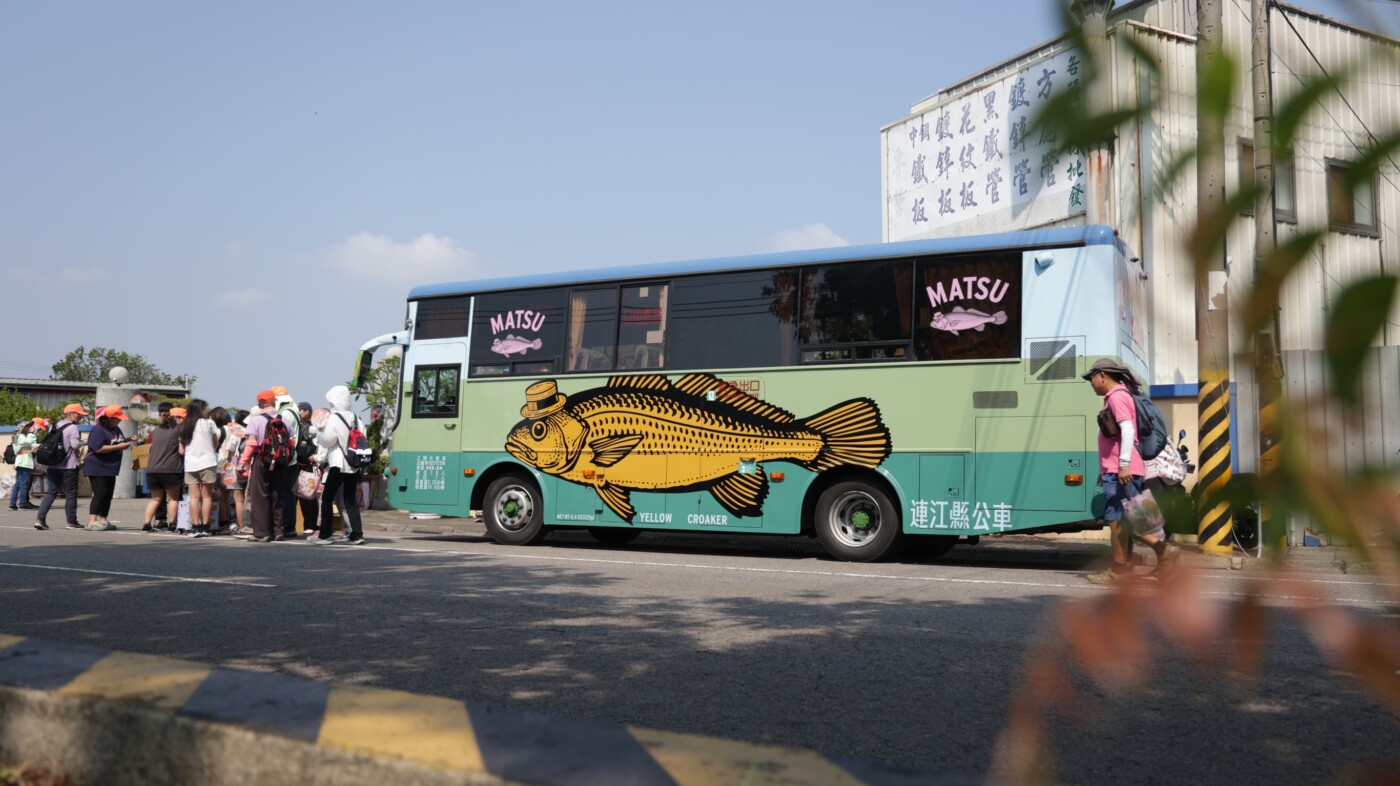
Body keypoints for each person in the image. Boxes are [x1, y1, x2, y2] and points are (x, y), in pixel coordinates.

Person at [1083, 358, 1178, 583]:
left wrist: (1122, 464)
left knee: (1120, 519)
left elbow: (1127, 429)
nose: (1091, 382)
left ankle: (1158, 554)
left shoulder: (1117, 397)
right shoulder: (1121, 396)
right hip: (1118, 468)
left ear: (1103, 375)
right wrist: (1110, 467)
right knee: (1133, 517)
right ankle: (1155, 561)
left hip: (1122, 469)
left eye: (1092, 378)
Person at [312, 385, 365, 545]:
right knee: (350, 500)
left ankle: (325, 535)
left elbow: (328, 440)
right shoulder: (356, 418)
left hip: (338, 463)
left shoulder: (334, 417)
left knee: (327, 498)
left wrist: (318, 434)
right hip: (354, 464)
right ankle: (357, 534)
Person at [236, 390, 280, 542]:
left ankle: (262, 532)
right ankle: (278, 530)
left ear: (260, 403)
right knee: (277, 494)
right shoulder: (284, 419)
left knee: (260, 496)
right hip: (280, 461)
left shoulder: (256, 420)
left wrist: (243, 462)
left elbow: (251, 443)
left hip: (261, 459)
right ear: (274, 402)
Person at [84, 405, 137, 530]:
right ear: (109, 418)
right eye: (117, 418)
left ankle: (103, 520)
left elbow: (117, 441)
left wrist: (129, 439)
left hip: (111, 467)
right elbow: (98, 448)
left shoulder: (116, 429)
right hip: (97, 466)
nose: (119, 421)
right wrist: (119, 447)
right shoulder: (98, 430)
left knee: (108, 494)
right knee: (100, 493)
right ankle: (92, 521)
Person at [35, 403, 87, 531]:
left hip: (53, 465)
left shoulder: (55, 426)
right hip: (68, 466)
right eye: (78, 414)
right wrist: (87, 441)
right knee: (70, 494)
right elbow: (74, 445)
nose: (80, 417)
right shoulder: (73, 428)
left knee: (51, 492)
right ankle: (72, 522)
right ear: (70, 414)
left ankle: (40, 519)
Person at [180, 399, 220, 538]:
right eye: (205, 408)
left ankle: (195, 527)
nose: (207, 410)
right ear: (200, 409)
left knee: (194, 497)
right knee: (207, 496)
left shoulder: (185, 425)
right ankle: (206, 527)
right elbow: (216, 442)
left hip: (191, 464)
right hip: (208, 462)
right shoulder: (209, 423)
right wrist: (209, 450)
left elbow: (182, 448)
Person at [142, 407, 184, 532]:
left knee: (155, 499)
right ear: (176, 418)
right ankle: (172, 524)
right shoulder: (178, 430)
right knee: (172, 499)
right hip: (171, 469)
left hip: (152, 469)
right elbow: (182, 451)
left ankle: (146, 524)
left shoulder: (156, 430)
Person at [271, 387, 301, 539]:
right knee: (289, 494)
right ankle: (289, 526)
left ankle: (287, 527)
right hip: (292, 457)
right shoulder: (293, 410)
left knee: (286, 495)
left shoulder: (285, 413)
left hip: (286, 459)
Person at [220, 409, 250, 534]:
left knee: (238, 499)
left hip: (234, 466)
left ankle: (241, 526)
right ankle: (247, 525)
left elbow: (229, 452)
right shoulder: (250, 432)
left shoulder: (235, 434)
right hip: (248, 467)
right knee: (247, 498)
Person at [293, 401, 320, 537]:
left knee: (307, 496)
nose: (299, 412)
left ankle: (310, 525)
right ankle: (294, 525)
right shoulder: (296, 424)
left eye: (301, 410)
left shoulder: (312, 427)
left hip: (306, 466)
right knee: (294, 497)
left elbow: (312, 446)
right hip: (296, 465)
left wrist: (311, 456)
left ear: (306, 411)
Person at [9, 419, 42, 512]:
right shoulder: (20, 436)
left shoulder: (22, 436)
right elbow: (27, 442)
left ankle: (12, 504)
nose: (30, 428)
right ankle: (22, 504)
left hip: (22, 462)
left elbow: (31, 445)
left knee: (18, 484)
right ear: (23, 427)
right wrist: (32, 433)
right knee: (24, 484)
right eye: (28, 426)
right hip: (24, 463)